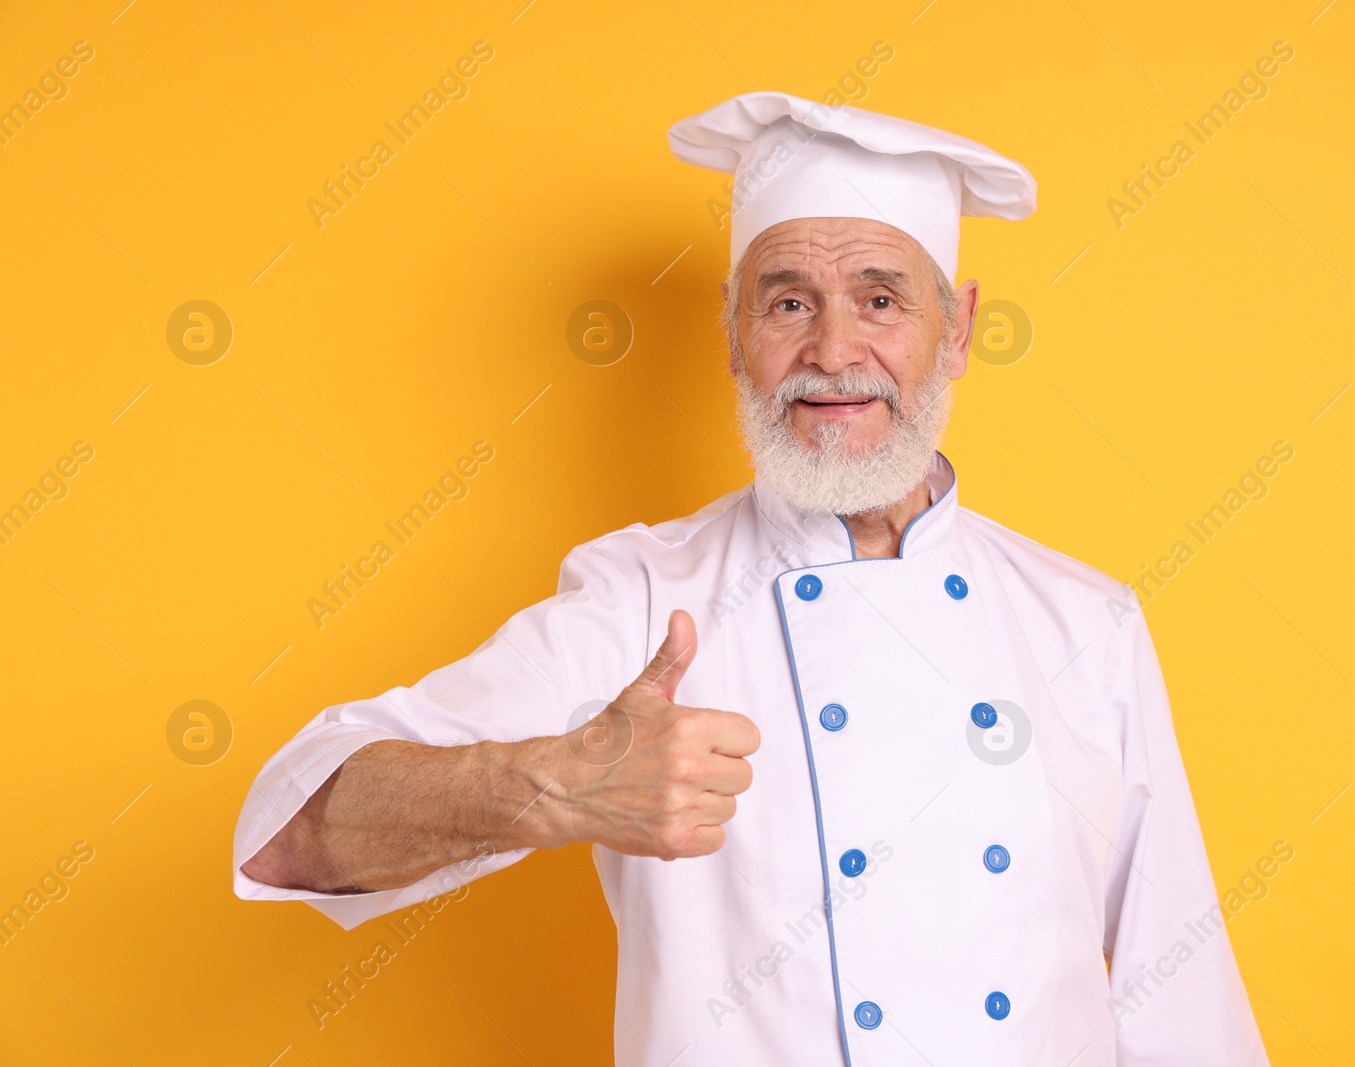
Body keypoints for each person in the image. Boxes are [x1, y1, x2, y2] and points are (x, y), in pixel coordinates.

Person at [235, 89, 1270, 1066]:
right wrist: (551, 784)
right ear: (735, 330)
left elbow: (1181, 999)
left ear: (954, 330)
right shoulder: (642, 597)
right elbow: (290, 837)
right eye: (788, 302)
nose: (832, 350)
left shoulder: (1085, 617)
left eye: (879, 298)